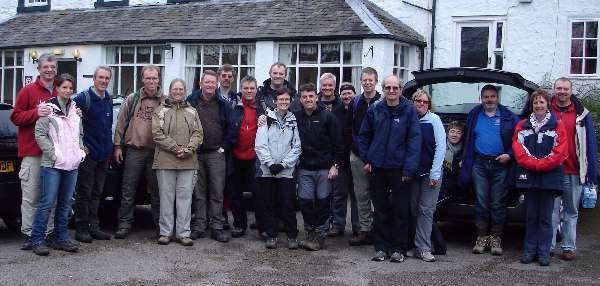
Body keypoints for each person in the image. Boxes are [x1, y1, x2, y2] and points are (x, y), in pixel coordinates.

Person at [358, 75, 421, 263]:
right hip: (377, 167)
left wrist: (409, 169)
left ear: (401, 90)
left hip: (400, 169)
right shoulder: (375, 109)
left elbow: (414, 141)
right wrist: (367, 159)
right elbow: (364, 136)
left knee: (401, 211)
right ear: (383, 89)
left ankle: (399, 248)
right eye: (388, 88)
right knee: (380, 210)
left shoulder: (409, 111)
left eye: (395, 88)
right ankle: (381, 248)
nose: (391, 91)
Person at [460, 84, 519, 255]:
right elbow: (468, 138)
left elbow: (519, 139)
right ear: (481, 98)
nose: (489, 100)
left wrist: (509, 154)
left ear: (498, 98)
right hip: (479, 164)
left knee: (497, 203)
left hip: (501, 165)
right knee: (481, 203)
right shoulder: (474, 114)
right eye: (486, 97)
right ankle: (481, 238)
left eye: (492, 96)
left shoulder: (508, 117)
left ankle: (496, 239)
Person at [31, 73, 86, 256]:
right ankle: (37, 239)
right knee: (47, 202)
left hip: (72, 165)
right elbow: (39, 134)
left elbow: (79, 134)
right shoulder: (49, 109)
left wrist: (80, 151)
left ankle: (60, 238)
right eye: (64, 87)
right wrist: (53, 154)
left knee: (65, 203)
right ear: (57, 88)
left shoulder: (75, 109)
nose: (68, 91)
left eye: (71, 88)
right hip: (53, 164)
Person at [513, 89, 568, 266]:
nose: (538, 105)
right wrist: (535, 164)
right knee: (530, 217)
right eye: (535, 102)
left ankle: (544, 253)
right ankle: (529, 252)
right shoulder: (522, 125)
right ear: (532, 105)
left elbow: (560, 152)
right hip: (529, 178)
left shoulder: (557, 125)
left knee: (545, 218)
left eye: (541, 102)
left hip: (549, 179)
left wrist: (540, 164)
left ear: (547, 105)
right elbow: (519, 149)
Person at [10, 53, 58, 250]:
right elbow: (15, 117)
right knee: (31, 197)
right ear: (38, 69)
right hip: (32, 153)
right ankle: (30, 234)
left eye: (53, 67)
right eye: (45, 67)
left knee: (51, 197)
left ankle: (48, 232)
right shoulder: (27, 91)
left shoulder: (60, 90)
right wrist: (35, 113)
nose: (49, 70)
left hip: (54, 153)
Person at [113, 65, 166, 239]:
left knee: (158, 192)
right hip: (134, 151)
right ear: (142, 79)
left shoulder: (165, 101)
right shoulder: (132, 99)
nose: (151, 81)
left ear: (159, 79)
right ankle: (124, 224)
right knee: (128, 190)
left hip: (156, 153)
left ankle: (161, 227)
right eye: (148, 78)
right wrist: (117, 146)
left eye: (154, 78)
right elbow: (120, 124)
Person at [550, 78, 598, 260]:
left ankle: (568, 247)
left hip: (574, 171)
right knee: (551, 212)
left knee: (571, 211)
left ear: (571, 91)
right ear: (554, 90)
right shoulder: (546, 110)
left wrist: (592, 173)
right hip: (551, 170)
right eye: (559, 88)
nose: (562, 91)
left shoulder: (582, 115)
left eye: (565, 89)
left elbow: (590, 144)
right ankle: (548, 246)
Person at [152, 79, 203, 247]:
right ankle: (165, 233)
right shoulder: (160, 111)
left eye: (181, 89)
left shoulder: (192, 111)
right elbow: (157, 134)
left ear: (185, 91)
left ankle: (183, 233)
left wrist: (188, 149)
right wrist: (175, 148)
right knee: (166, 198)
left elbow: (198, 133)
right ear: (170, 90)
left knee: (185, 198)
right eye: (175, 89)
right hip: (165, 161)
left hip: (188, 161)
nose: (178, 92)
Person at [188, 70, 237, 243]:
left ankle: (216, 226)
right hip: (196, 154)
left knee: (217, 192)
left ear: (216, 85)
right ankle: (200, 225)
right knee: (199, 193)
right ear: (200, 84)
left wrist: (224, 147)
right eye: (206, 82)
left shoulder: (223, 104)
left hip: (216, 154)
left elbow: (232, 128)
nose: (209, 85)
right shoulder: (191, 102)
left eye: (212, 82)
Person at [294, 83, 343, 251]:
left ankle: (320, 235)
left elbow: (338, 144)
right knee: (305, 202)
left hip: (324, 168)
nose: (308, 99)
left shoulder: (328, 117)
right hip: (305, 168)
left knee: (323, 202)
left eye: (311, 96)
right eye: (304, 97)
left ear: (316, 97)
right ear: (300, 99)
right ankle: (310, 232)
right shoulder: (296, 117)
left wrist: (335, 165)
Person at [255, 88, 302, 249]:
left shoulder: (294, 120)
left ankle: (291, 236)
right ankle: (272, 235)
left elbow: (297, 147)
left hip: (286, 171)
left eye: (286, 100)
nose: (283, 102)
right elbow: (260, 145)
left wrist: (283, 164)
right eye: (280, 99)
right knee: (268, 204)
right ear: (275, 101)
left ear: (290, 102)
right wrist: (270, 164)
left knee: (287, 204)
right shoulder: (266, 119)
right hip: (268, 171)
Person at [72, 66, 114, 243]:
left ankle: (94, 226)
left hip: (104, 154)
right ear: (94, 79)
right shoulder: (83, 98)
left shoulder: (108, 99)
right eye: (100, 78)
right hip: (88, 154)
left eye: (106, 78)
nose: (103, 81)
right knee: (84, 192)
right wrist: (81, 147)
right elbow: (70, 120)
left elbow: (107, 126)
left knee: (98, 192)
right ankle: (81, 228)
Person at [409, 89, 446, 262]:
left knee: (426, 211)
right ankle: (415, 245)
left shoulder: (434, 120)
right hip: (413, 174)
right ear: (413, 102)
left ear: (429, 104)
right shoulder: (410, 119)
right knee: (413, 210)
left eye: (425, 102)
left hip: (430, 174)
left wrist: (435, 173)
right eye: (418, 101)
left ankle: (423, 248)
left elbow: (440, 148)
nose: (421, 104)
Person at [348, 67, 381, 246]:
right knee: (361, 195)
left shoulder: (383, 101)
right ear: (360, 82)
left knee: (379, 195)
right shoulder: (356, 102)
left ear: (376, 81)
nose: (367, 83)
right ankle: (365, 230)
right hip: (358, 155)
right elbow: (350, 128)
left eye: (371, 80)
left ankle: (380, 230)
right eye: (364, 80)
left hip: (378, 158)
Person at [229, 76, 265, 238]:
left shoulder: (263, 108)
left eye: (252, 88)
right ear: (241, 89)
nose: (249, 91)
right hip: (235, 156)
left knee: (259, 194)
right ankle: (239, 224)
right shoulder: (232, 106)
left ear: (256, 90)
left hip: (255, 158)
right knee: (235, 193)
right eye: (246, 88)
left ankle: (262, 226)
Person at [328, 82, 359, 237]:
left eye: (350, 93)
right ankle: (338, 225)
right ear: (340, 96)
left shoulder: (359, 110)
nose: (347, 96)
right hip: (340, 160)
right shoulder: (335, 112)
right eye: (344, 94)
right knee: (339, 195)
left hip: (357, 158)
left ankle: (358, 227)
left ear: (354, 94)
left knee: (357, 195)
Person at [441, 121, 465, 197]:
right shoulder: (439, 146)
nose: (455, 135)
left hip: (454, 184)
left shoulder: (465, 150)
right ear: (447, 134)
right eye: (452, 131)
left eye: (458, 132)